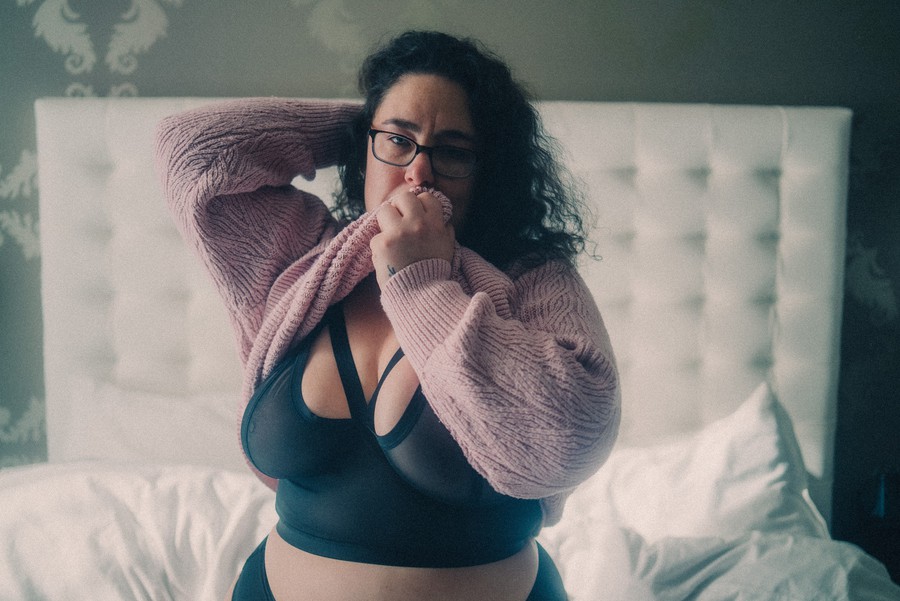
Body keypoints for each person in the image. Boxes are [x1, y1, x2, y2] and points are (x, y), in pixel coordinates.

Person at [157, 30, 620, 601]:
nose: (418, 173)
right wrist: (363, 127)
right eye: (399, 142)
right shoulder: (307, 255)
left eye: (453, 151)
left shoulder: (532, 278)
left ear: (489, 170)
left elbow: (573, 436)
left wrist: (420, 282)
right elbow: (191, 153)